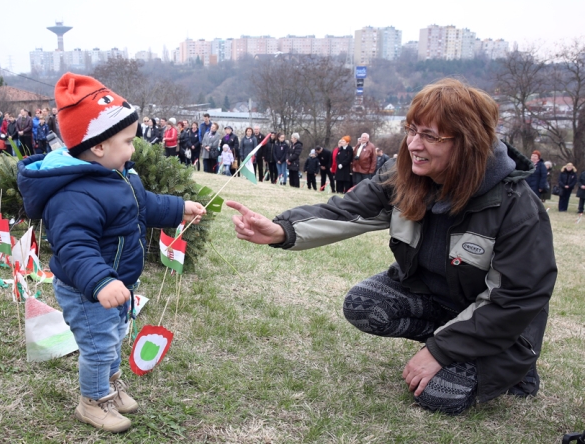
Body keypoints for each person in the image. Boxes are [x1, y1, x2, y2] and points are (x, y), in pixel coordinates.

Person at [226, 78, 556, 416]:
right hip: (440, 302)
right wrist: (281, 230)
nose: (413, 144)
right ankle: (448, 341)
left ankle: (513, 368)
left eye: (430, 136)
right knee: (363, 305)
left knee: (440, 395)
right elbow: (348, 210)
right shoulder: (405, 175)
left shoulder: (517, 208)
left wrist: (440, 352)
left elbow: (516, 299)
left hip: (504, 328)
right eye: (412, 130)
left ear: (468, 141)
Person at [17, 73, 206, 433]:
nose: (134, 149)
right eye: (128, 141)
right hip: (90, 289)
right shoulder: (75, 194)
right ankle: (92, 401)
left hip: (116, 283)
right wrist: (101, 282)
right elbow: (75, 248)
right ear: (100, 146)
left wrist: (179, 208)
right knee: (98, 345)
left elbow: (145, 205)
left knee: (114, 337)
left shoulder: (118, 176)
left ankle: (110, 388)